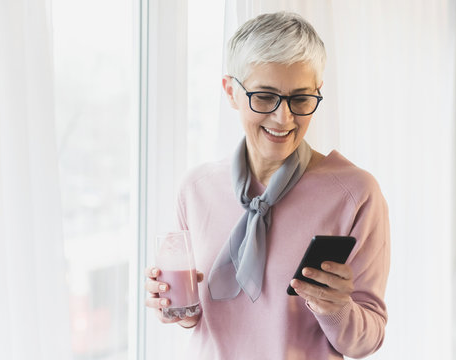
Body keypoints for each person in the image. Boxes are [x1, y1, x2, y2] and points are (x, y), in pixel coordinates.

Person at [145, 11, 390, 360]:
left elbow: (367, 341)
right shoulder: (196, 189)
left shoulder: (355, 194)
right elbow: (200, 320)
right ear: (231, 91)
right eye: (264, 96)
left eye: (301, 99)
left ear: (317, 93)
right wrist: (175, 305)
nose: (283, 118)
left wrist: (336, 308)